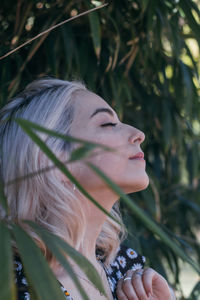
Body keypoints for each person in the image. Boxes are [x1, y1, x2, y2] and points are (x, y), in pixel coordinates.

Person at [0, 78, 176, 300]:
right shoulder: (15, 288)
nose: (138, 133)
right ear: (53, 159)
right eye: (107, 124)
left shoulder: (125, 271)